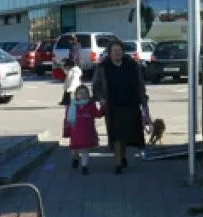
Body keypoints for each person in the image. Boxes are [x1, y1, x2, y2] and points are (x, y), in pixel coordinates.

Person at [92, 39, 149, 175]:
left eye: (119, 50)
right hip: (113, 107)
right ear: (110, 53)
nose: (117, 53)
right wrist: (100, 98)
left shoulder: (132, 66)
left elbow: (140, 85)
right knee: (116, 135)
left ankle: (122, 156)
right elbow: (96, 85)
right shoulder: (103, 67)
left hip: (130, 105)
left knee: (126, 134)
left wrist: (144, 104)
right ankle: (118, 163)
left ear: (123, 51)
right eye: (114, 50)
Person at [63, 84, 105, 175]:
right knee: (75, 150)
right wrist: (66, 130)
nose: (83, 95)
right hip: (75, 133)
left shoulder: (91, 105)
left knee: (85, 150)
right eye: (80, 93)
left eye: (86, 93)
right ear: (76, 95)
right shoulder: (71, 106)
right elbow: (67, 119)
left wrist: (103, 107)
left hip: (87, 132)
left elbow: (97, 114)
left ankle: (84, 166)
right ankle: (75, 158)